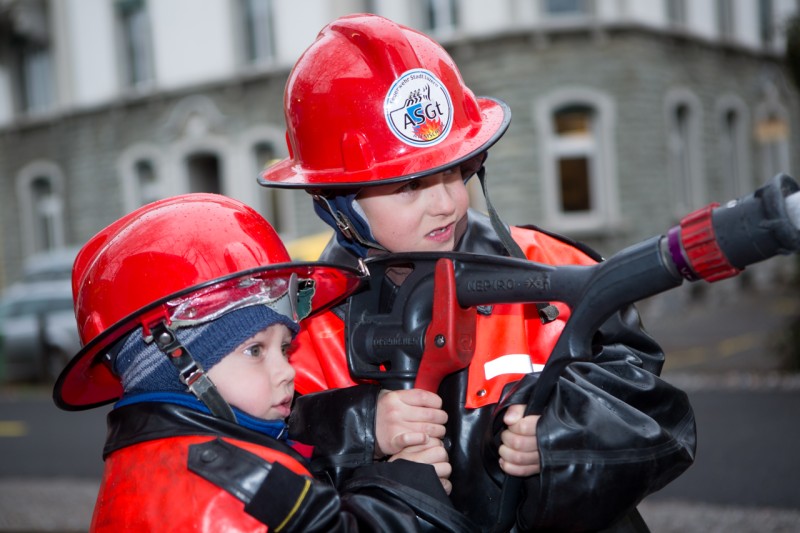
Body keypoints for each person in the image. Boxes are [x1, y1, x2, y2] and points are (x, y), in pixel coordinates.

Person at [258, 13, 696, 532]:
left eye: (454, 171)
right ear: (335, 202)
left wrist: (568, 438)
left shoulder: (553, 269)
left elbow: (659, 417)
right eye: (408, 187)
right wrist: (357, 427)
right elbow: (264, 477)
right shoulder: (294, 333)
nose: (445, 202)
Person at [53, 193, 476, 532]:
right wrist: (404, 492)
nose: (286, 371)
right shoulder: (234, 488)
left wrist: (365, 425)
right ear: (173, 363)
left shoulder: (156, 459)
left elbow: (288, 445)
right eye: (255, 350)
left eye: (285, 348)